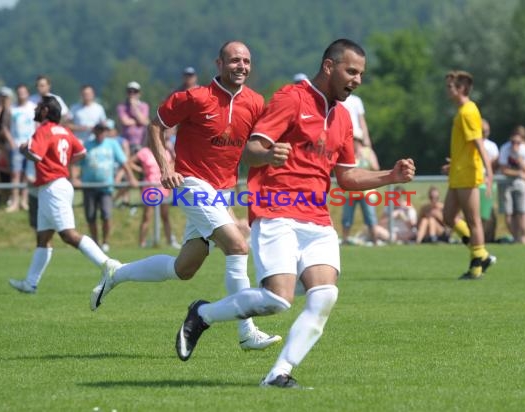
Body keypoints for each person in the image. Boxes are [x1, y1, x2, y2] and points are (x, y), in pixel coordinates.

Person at [175, 39, 415, 388]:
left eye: (361, 73)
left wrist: (389, 177)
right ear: (329, 67)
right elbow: (252, 149)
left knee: (325, 295)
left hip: (317, 218)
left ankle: (279, 373)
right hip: (277, 211)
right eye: (351, 71)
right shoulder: (292, 97)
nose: (358, 80)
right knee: (278, 299)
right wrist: (268, 156)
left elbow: (347, 177)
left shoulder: (344, 117)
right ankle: (203, 313)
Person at [89, 40, 280, 351]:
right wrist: (166, 165)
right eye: (234, 60)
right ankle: (247, 332)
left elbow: (259, 147)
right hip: (190, 184)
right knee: (237, 246)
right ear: (218, 64)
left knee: (184, 269)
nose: (241, 66)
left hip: (221, 192)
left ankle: (116, 273)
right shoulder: (195, 97)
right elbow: (155, 126)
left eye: (246, 61)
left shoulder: (256, 103)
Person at [8, 96, 116, 294]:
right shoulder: (65, 130)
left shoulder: (43, 130)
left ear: (46, 111)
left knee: (68, 235)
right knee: (43, 238)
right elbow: (82, 152)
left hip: (52, 187)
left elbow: (36, 155)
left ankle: (108, 265)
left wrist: (24, 150)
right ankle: (30, 283)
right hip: (57, 184)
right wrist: (62, 165)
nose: (37, 109)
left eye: (40, 107)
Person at [442, 70, 495, 280]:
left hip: (468, 174)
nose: (447, 91)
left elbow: (478, 143)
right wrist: (453, 164)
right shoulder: (462, 111)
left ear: (461, 88)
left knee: (474, 222)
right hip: (458, 172)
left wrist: (488, 172)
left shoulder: (468, 111)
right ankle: (482, 253)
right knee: (447, 217)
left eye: (450, 87)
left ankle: (476, 267)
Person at [72, 123, 138, 253]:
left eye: (104, 131)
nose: (101, 133)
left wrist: (131, 177)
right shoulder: (87, 145)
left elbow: (123, 162)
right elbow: (76, 162)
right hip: (89, 186)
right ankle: (95, 242)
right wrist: (74, 178)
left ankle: (106, 242)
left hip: (106, 187)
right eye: (99, 130)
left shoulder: (112, 144)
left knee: (106, 215)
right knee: (90, 216)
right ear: (95, 131)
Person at [130, 139, 181, 249]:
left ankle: (170, 241)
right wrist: (141, 170)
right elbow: (130, 162)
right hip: (150, 187)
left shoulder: (165, 151)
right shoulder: (144, 152)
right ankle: (142, 242)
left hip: (163, 187)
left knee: (165, 215)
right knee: (147, 216)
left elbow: (172, 163)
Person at [340, 135, 380, 245]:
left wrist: (365, 159)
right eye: (353, 140)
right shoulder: (348, 152)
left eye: (356, 140)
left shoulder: (368, 152)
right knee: (347, 218)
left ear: (360, 141)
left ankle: (375, 241)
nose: (354, 142)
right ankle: (345, 240)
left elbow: (376, 168)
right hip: (351, 191)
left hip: (367, 191)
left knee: (371, 218)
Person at [498, 126, 525, 244]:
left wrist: (518, 156)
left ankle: (523, 236)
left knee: (522, 211)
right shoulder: (504, 149)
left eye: (518, 142)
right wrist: (518, 173)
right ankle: (515, 237)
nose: (515, 144)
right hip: (506, 183)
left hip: (520, 184)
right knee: (508, 213)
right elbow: (503, 169)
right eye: (513, 141)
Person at [6, 84, 37, 212]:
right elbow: (5, 126)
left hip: (30, 145)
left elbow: (38, 125)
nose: (21, 94)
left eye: (23, 92)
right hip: (16, 145)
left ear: (28, 93)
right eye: (19, 92)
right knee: (15, 174)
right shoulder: (11, 108)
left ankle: (24, 201)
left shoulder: (33, 107)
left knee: (27, 174)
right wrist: (11, 141)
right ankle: (15, 201)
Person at [480, 119, 499, 243]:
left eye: (487, 130)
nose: (486, 132)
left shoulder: (491, 146)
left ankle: (488, 238)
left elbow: (495, 164)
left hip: (487, 182)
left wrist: (489, 178)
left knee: (488, 213)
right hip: (473, 182)